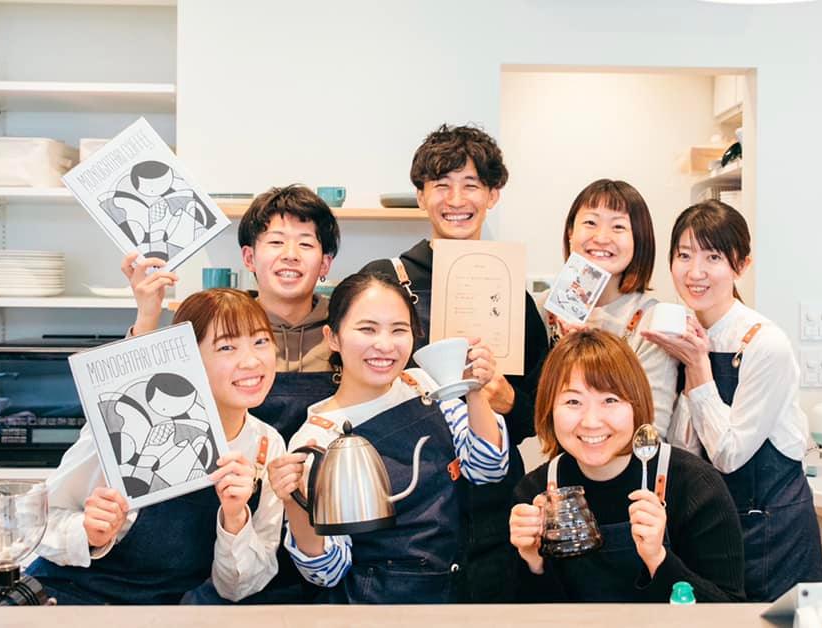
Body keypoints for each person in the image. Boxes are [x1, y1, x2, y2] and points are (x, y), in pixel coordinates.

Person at [123, 184, 341, 603]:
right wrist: (147, 316)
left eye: (305, 243)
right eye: (275, 242)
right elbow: (145, 402)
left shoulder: (344, 331)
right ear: (249, 258)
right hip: (218, 532)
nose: (290, 255)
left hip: (313, 536)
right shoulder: (216, 321)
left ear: (325, 263)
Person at [360, 124, 548, 601]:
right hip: (407, 497)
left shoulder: (514, 295)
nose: (456, 199)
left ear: (493, 195)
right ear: (421, 196)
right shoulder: (384, 281)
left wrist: (507, 399)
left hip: (491, 507)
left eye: (471, 185)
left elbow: (540, 412)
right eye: (441, 185)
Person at [27, 289, 285, 605]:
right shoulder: (131, 427)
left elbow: (237, 589)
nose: (252, 361)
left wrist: (235, 519)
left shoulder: (266, 445)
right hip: (66, 600)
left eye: (261, 341)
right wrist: (88, 533)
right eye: (226, 347)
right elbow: (33, 522)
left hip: (157, 615)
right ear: (188, 359)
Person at [268, 271, 509, 604]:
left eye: (399, 330)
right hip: (375, 605)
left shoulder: (422, 383)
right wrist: (294, 502)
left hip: (452, 592)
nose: (385, 345)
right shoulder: (317, 437)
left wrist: (474, 390)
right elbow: (327, 572)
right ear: (332, 337)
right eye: (367, 329)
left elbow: (488, 468)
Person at [642, 200, 822, 601]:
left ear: (741, 265)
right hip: (709, 528)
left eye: (713, 257)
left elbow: (728, 454)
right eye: (684, 255)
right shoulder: (682, 334)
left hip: (772, 531)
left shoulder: (765, 344)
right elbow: (683, 450)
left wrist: (698, 365)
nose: (695, 272)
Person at [509, 328, 746, 602]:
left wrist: (658, 559)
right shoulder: (534, 492)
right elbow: (522, 614)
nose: (591, 421)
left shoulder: (694, 485)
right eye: (573, 401)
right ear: (549, 409)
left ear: (636, 405)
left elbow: (729, 611)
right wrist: (532, 560)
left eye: (610, 400)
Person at [550, 179, 679, 437]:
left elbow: (650, 430)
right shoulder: (545, 309)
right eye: (590, 222)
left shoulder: (652, 321)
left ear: (638, 240)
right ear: (570, 233)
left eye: (618, 226)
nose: (601, 237)